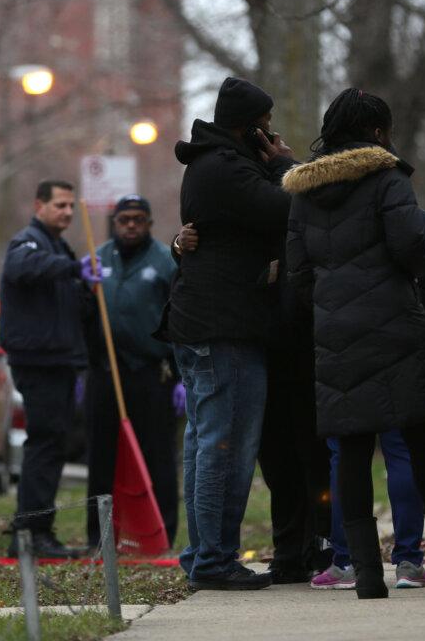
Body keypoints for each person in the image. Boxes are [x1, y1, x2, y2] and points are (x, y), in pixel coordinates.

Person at [283, 88, 425, 599]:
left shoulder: (304, 194)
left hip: (337, 340)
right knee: (421, 444)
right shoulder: (389, 178)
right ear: (376, 132)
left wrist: (332, 307)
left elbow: (298, 275)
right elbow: (410, 246)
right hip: (396, 327)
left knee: (350, 453)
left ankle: (367, 573)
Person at [166, 76, 295, 591]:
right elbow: (286, 209)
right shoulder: (226, 167)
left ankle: (203, 552)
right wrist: (283, 163)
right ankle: (215, 558)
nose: (273, 134)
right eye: (266, 127)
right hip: (224, 327)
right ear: (253, 129)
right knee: (226, 444)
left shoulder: (213, 163)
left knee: (204, 441)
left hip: (208, 321)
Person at [314, 209, 425, 592]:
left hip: (345, 351)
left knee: (347, 454)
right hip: (404, 348)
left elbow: (300, 281)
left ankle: (349, 561)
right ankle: (409, 560)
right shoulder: (421, 223)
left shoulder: (329, 223)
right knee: (405, 450)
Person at [0, 179, 99, 559]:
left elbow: (73, 304)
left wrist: (89, 290)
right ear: (39, 205)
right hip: (37, 361)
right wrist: (74, 268)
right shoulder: (28, 242)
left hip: (60, 360)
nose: (68, 213)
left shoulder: (59, 247)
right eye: (60, 205)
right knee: (44, 444)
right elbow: (23, 268)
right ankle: (30, 532)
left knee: (52, 445)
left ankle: (37, 529)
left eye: (72, 206)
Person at [84, 194, 180, 548]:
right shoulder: (97, 260)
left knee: (158, 457)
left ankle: (162, 534)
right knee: (101, 460)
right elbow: (84, 315)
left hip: (150, 375)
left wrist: (180, 377)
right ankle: (100, 537)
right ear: (115, 223)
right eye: (124, 219)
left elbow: (177, 321)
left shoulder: (164, 262)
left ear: (149, 223)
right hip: (105, 373)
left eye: (138, 219)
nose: (130, 225)